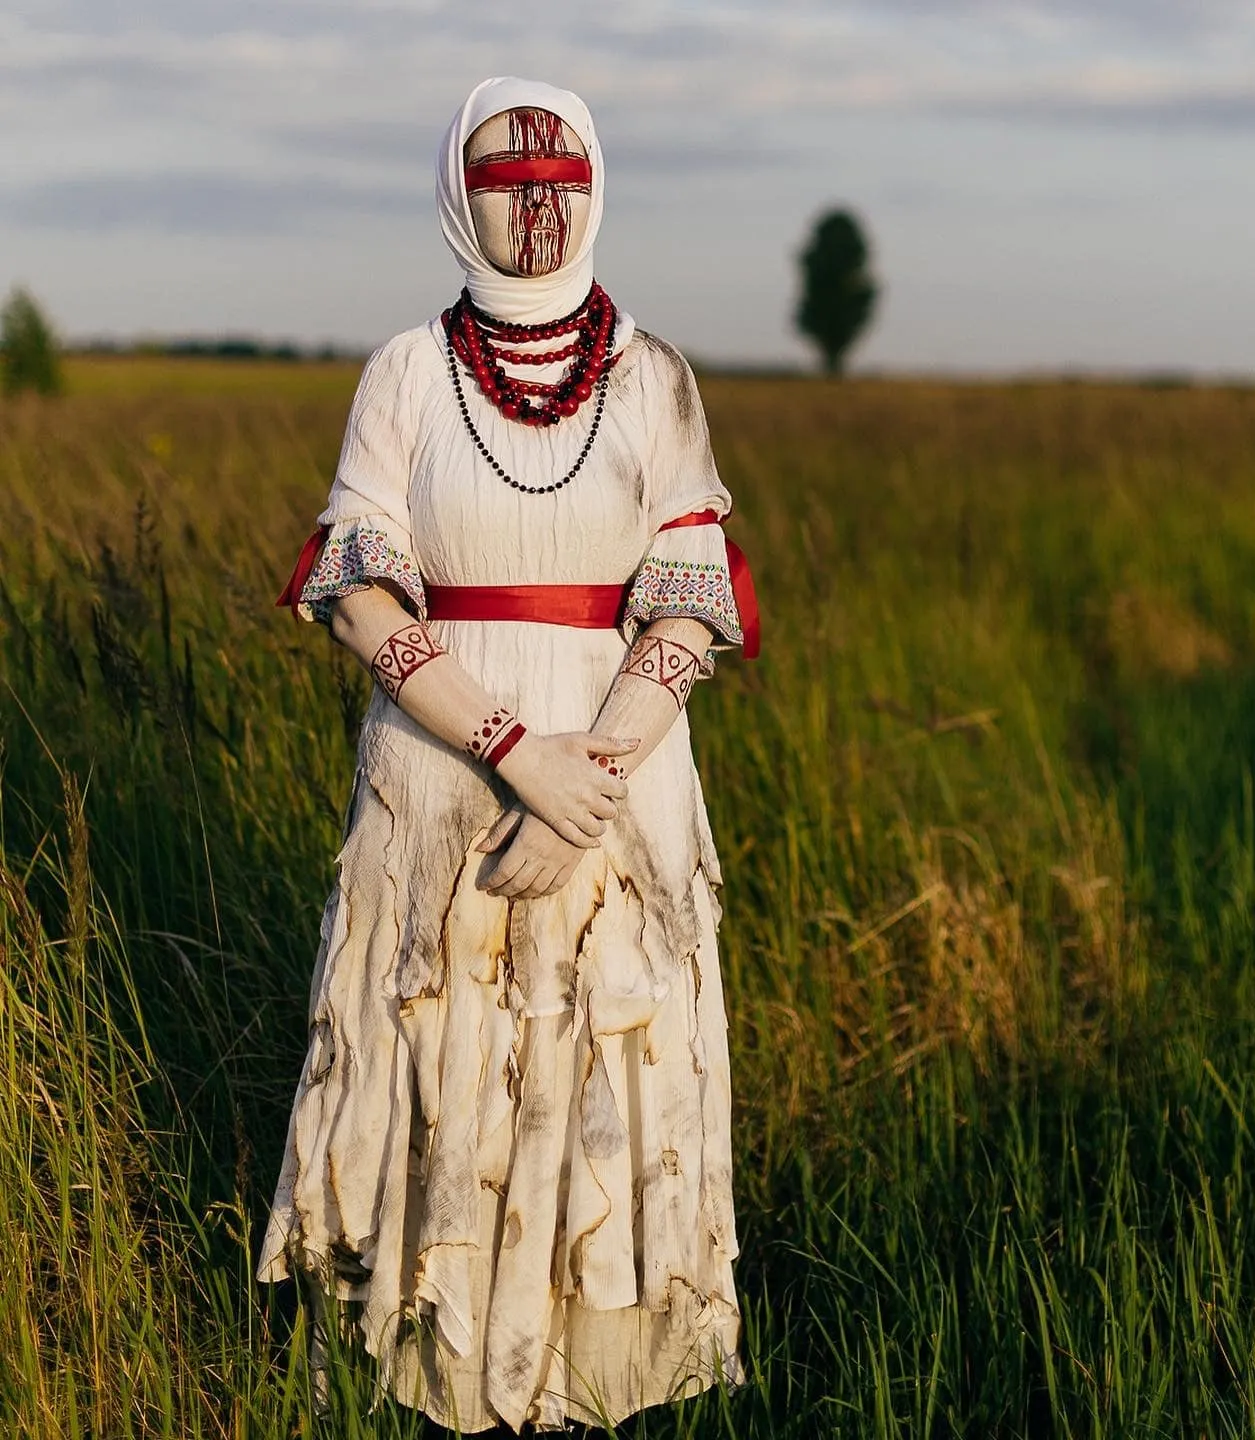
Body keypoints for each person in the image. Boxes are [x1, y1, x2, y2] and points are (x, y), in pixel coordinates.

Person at [257, 76, 759, 1433]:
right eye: (504, 178)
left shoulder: (655, 378)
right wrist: (514, 753)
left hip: (622, 793)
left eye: (562, 178)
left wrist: (585, 782)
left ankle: (590, 1381)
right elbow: (358, 593)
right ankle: (431, 1373)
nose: (538, 205)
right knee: (442, 1060)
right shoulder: (405, 374)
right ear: (453, 196)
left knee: (600, 1063)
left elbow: (691, 600)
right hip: (440, 788)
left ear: (597, 191)